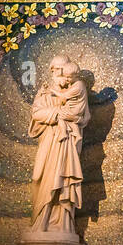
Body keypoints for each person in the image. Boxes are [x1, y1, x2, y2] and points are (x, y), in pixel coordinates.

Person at [28, 56, 89, 235]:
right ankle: (40, 223)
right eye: (53, 71)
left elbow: (81, 116)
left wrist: (65, 116)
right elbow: (37, 113)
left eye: (57, 71)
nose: (55, 75)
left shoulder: (78, 90)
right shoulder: (46, 92)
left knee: (63, 182)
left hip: (67, 143)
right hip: (48, 142)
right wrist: (57, 114)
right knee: (39, 179)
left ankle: (63, 226)